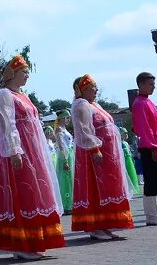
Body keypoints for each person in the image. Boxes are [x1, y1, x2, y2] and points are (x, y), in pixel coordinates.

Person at [0, 55, 65, 260]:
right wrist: (14, 150)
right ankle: (20, 244)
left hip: (33, 150)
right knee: (22, 193)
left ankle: (34, 241)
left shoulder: (24, 96)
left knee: (35, 193)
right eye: (24, 71)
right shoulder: (4, 94)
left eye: (28, 71)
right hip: (20, 150)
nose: (27, 75)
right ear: (13, 73)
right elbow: (7, 124)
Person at [70, 75, 134, 240]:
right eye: (93, 87)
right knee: (96, 189)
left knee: (107, 189)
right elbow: (83, 129)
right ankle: (95, 226)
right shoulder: (81, 105)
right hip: (94, 155)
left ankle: (104, 225)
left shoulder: (94, 105)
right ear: (83, 89)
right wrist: (94, 149)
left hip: (107, 155)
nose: (96, 90)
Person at [130, 72, 157, 226]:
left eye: (154, 84)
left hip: (155, 146)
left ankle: (153, 214)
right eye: (151, 84)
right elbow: (144, 128)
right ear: (141, 85)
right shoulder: (140, 104)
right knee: (151, 181)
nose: (154, 87)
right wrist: (153, 148)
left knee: (154, 181)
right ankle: (152, 215)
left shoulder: (147, 102)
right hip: (150, 147)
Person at [53, 110, 75, 215]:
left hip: (70, 155)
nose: (69, 120)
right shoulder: (59, 129)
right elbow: (61, 145)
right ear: (61, 118)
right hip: (65, 156)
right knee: (65, 180)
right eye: (67, 117)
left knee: (70, 180)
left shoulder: (65, 129)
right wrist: (65, 159)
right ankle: (65, 205)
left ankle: (70, 203)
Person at [118, 127, 142, 195]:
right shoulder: (119, 143)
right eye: (124, 134)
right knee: (126, 174)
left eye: (126, 134)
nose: (126, 136)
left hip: (129, 161)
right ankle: (127, 190)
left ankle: (131, 189)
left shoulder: (126, 143)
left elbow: (129, 151)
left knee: (131, 173)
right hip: (124, 161)